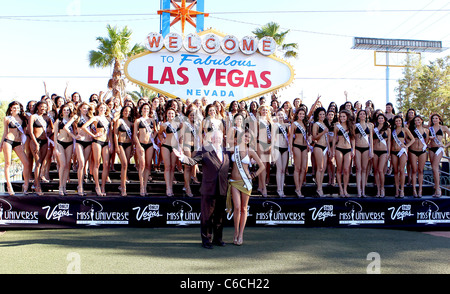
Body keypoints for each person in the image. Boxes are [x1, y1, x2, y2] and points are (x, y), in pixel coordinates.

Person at [174, 130, 230, 249]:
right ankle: (206, 240)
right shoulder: (205, 150)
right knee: (207, 217)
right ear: (211, 139)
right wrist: (182, 157)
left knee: (219, 217)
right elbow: (193, 161)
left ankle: (218, 239)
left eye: (219, 138)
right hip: (208, 189)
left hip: (222, 189)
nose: (217, 139)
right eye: (215, 137)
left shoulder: (226, 152)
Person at [227, 129, 265, 245]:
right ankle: (235, 232)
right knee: (237, 207)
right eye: (245, 136)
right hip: (234, 182)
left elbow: (262, 166)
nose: (247, 139)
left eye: (249, 137)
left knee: (243, 208)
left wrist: (253, 175)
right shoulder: (234, 149)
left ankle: (241, 234)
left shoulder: (251, 151)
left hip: (246, 183)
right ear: (241, 137)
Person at [0, 101, 31, 195]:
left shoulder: (22, 118)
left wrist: (23, 144)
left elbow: (24, 133)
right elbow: (5, 132)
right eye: (14, 108)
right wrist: (1, 144)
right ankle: (9, 186)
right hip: (8, 141)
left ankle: (26, 185)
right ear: (10, 108)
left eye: (17, 108)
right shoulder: (7, 118)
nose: (16, 109)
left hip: (18, 142)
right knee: (8, 163)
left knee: (26, 163)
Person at [65, 102, 94, 196]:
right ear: (80, 108)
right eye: (84, 108)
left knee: (84, 163)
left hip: (88, 142)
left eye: (87, 108)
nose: (85, 110)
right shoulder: (76, 117)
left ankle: (81, 184)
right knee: (81, 163)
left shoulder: (90, 118)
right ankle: (80, 186)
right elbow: (66, 127)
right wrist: (74, 136)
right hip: (79, 142)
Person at [29, 101, 53, 196]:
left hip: (44, 141)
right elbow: (30, 132)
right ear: (37, 107)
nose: (43, 108)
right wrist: (36, 143)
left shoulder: (46, 118)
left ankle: (36, 184)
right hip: (35, 141)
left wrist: (49, 132)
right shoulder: (33, 117)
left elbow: (52, 129)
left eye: (45, 107)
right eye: (41, 106)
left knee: (42, 163)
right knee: (38, 163)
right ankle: (37, 186)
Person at [135, 103, 158, 197]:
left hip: (149, 144)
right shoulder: (138, 121)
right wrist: (139, 146)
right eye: (144, 108)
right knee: (142, 165)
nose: (146, 110)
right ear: (141, 109)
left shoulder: (152, 120)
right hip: (141, 144)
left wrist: (154, 136)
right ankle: (141, 186)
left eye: (147, 109)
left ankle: (145, 186)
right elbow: (134, 135)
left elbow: (156, 130)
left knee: (148, 165)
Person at [159, 107, 182, 197]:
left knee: (173, 167)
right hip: (166, 146)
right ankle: (168, 188)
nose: (170, 115)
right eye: (169, 113)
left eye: (172, 113)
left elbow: (181, 136)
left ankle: (171, 186)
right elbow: (159, 133)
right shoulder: (164, 125)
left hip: (175, 147)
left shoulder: (179, 124)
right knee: (167, 167)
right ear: (166, 114)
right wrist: (162, 139)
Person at [390, 115, 415, 198]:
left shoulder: (405, 129)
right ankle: (397, 189)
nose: (398, 122)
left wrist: (407, 146)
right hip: (394, 151)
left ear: (402, 122)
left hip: (402, 151)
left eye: (399, 121)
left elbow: (413, 139)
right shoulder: (392, 130)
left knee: (401, 170)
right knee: (396, 171)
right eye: (396, 121)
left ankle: (402, 190)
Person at [332, 109, 355, 197]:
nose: (342, 118)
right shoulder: (337, 126)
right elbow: (334, 138)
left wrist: (353, 149)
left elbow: (353, 139)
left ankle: (345, 189)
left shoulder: (351, 126)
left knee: (346, 170)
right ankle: (340, 189)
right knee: (339, 169)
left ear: (347, 117)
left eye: (344, 116)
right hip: (339, 148)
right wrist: (333, 149)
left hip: (348, 149)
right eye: (340, 116)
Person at [54, 104, 75, 196]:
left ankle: (64, 185)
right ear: (61, 111)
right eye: (64, 110)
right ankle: (60, 186)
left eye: (68, 110)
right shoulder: (58, 121)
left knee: (67, 165)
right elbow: (55, 136)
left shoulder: (72, 121)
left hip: (70, 143)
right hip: (60, 143)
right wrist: (55, 148)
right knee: (62, 164)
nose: (66, 111)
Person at [114, 105, 135, 197]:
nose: (127, 112)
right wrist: (116, 146)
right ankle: (123, 187)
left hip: (129, 144)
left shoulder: (131, 123)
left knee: (126, 165)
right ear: (122, 111)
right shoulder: (119, 121)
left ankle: (122, 184)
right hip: (121, 144)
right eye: (126, 111)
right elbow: (115, 134)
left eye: (129, 111)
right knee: (124, 164)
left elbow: (133, 136)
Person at [427, 113, 450, 198]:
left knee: (434, 167)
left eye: (436, 118)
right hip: (431, 149)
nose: (435, 120)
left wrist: (445, 146)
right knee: (434, 169)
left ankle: (438, 188)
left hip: (439, 149)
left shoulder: (444, 128)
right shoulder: (430, 128)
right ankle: (436, 186)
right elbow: (425, 138)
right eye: (433, 118)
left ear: (439, 119)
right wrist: (428, 144)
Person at [289, 107, 309, 198]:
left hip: (304, 147)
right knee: (297, 168)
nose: (301, 115)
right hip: (297, 145)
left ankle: (299, 188)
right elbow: (290, 137)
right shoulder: (294, 124)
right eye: (300, 114)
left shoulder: (305, 124)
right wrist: (291, 147)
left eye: (303, 114)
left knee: (304, 168)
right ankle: (297, 188)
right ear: (297, 114)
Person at [408, 115, 430, 198]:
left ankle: (420, 189)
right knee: (414, 170)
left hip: (422, 151)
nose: (417, 121)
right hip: (412, 151)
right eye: (415, 120)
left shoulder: (426, 130)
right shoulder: (412, 130)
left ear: (421, 121)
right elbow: (407, 139)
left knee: (421, 170)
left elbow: (427, 140)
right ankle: (414, 189)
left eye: (418, 120)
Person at [354, 110, 373, 197]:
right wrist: (353, 149)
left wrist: (371, 150)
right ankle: (358, 191)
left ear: (366, 115)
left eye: (363, 114)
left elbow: (371, 139)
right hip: (357, 148)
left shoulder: (370, 125)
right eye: (360, 114)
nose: (362, 115)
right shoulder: (355, 126)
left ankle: (363, 191)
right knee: (358, 169)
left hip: (366, 148)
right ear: (358, 116)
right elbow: (353, 138)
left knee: (364, 169)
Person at [272, 109, 290, 197]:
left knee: (283, 170)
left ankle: (282, 189)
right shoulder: (275, 125)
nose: (280, 116)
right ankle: (279, 189)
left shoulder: (287, 125)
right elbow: (272, 139)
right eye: (278, 114)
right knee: (279, 169)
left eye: (282, 114)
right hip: (277, 148)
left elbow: (290, 137)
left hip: (285, 148)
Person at [311, 107, 329, 197]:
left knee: (324, 168)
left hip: (325, 148)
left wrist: (329, 148)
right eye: (320, 114)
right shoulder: (316, 124)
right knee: (320, 168)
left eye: (323, 114)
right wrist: (323, 132)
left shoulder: (325, 125)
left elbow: (328, 138)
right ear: (318, 115)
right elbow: (314, 137)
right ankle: (319, 188)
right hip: (318, 146)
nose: (322, 116)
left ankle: (320, 185)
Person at [372, 113, 391, 198]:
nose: (380, 120)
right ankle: (378, 189)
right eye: (379, 118)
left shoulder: (388, 130)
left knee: (380, 170)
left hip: (383, 151)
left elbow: (389, 142)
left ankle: (382, 188)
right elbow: (371, 141)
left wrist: (388, 152)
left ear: (384, 120)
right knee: (375, 170)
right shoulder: (374, 129)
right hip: (375, 151)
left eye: (382, 118)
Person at [256, 105, 272, 197]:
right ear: (260, 111)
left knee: (264, 166)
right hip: (260, 143)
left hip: (267, 144)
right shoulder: (257, 121)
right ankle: (263, 188)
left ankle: (260, 186)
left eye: (266, 110)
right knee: (262, 165)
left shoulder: (269, 121)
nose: (265, 111)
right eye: (263, 110)